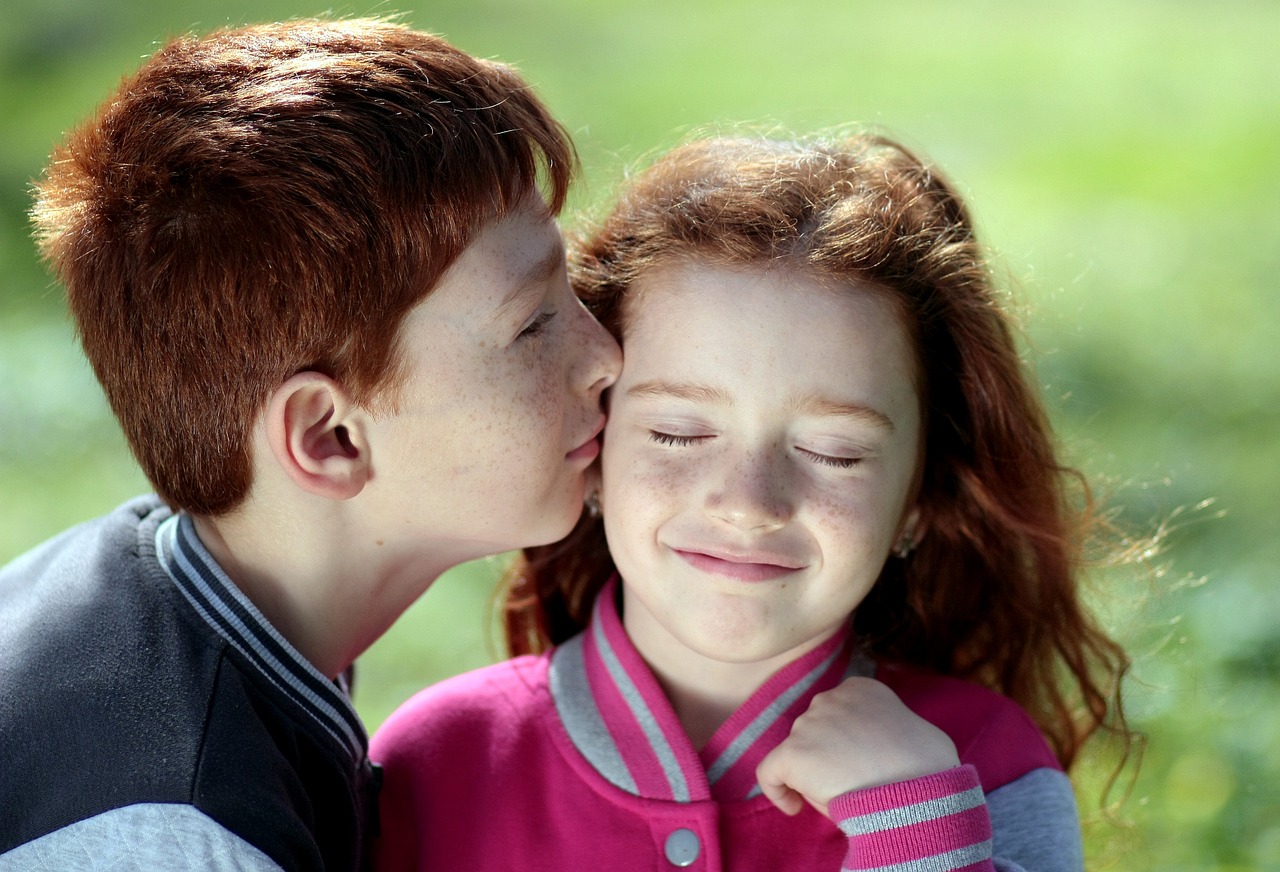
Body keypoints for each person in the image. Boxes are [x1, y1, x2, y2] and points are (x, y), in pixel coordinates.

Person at [370, 134, 1136, 871]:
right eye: (676, 432)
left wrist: (918, 833)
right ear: (592, 448)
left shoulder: (988, 762)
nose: (748, 503)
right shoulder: (436, 758)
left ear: (920, 498)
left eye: (835, 451)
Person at [0, 17, 620, 872]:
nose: (605, 357)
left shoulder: (170, 599)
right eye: (532, 323)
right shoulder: (175, 830)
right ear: (329, 438)